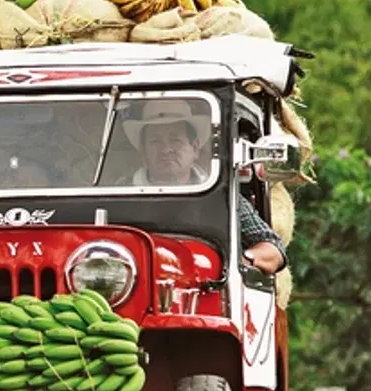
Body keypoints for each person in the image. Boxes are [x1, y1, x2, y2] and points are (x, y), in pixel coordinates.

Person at [121, 100, 288, 276]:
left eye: (175, 140)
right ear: (143, 152)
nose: (166, 149)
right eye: (155, 141)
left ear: (195, 149)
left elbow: (273, 249)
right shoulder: (120, 195)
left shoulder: (222, 197)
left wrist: (242, 260)